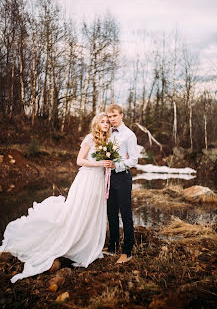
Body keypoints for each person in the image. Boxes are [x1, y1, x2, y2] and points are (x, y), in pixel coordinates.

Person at [0, 112, 112, 283]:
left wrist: (109, 164)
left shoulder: (107, 141)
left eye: (108, 122)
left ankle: (88, 246)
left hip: (98, 180)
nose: (106, 124)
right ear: (97, 123)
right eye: (103, 121)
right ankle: (73, 245)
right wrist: (99, 163)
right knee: (79, 212)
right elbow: (79, 160)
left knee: (92, 213)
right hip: (87, 180)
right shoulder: (90, 138)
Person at [105, 104, 138, 264]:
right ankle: (113, 246)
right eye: (110, 117)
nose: (112, 120)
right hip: (108, 177)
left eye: (115, 116)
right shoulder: (107, 132)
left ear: (121, 115)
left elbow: (133, 160)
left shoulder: (129, 135)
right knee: (111, 213)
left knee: (125, 213)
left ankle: (127, 250)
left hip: (122, 177)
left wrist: (117, 165)